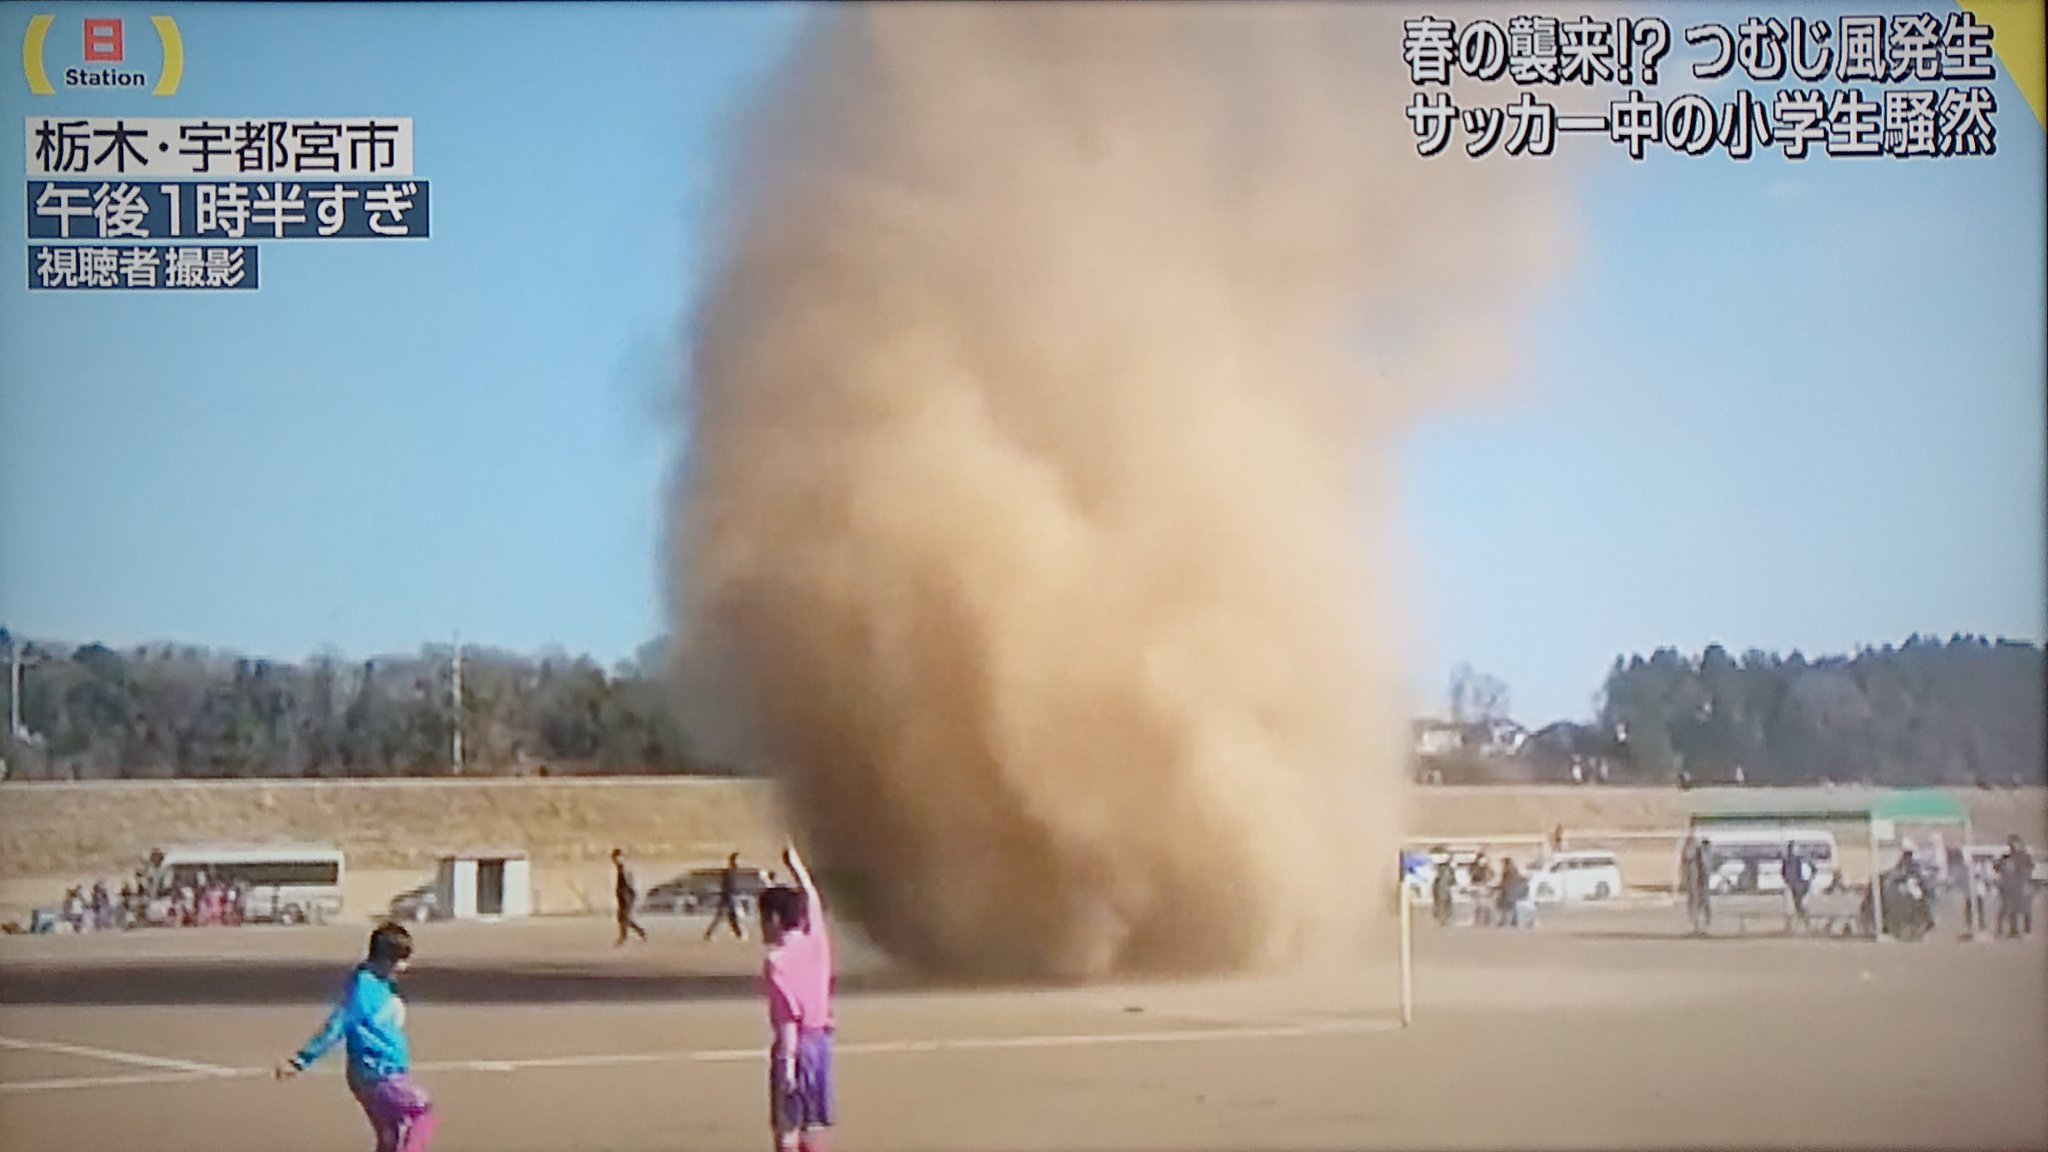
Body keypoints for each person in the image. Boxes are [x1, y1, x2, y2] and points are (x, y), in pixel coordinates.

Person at [276, 922, 437, 1152]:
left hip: (375, 1075)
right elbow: (336, 1026)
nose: (404, 967)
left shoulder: (380, 983)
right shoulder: (362, 989)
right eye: (400, 961)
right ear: (384, 959)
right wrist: (300, 1060)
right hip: (378, 1074)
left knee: (389, 1136)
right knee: (421, 1110)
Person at [760, 839, 835, 1152]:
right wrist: (796, 867)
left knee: (786, 1130)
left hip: (796, 1049)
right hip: (821, 1046)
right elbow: (812, 898)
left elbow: (788, 1022)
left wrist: (787, 1068)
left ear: (775, 920)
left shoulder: (777, 962)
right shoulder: (815, 941)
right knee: (811, 1126)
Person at [1996, 836, 2036, 939]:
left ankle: (2027, 930)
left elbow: (2030, 869)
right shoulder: (2005, 857)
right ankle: (2013, 930)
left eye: (2014, 844)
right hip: (2009, 886)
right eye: (2010, 845)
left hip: (2022, 885)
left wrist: (2027, 882)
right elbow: (1997, 867)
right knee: (2010, 908)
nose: (2013, 847)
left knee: (2025, 908)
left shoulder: (2024, 856)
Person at [704, 852, 748, 942]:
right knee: (724, 917)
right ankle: (710, 934)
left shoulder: (731, 873)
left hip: (729, 897)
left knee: (729, 917)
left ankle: (738, 934)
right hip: (729, 897)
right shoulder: (730, 873)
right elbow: (728, 887)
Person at [612, 849, 648, 946]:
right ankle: (638, 932)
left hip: (626, 894)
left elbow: (627, 883)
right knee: (623, 917)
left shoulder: (623, 867)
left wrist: (626, 895)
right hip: (624, 894)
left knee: (623, 917)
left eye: (614, 857)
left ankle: (624, 936)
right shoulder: (621, 867)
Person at [1781, 842, 1812, 926]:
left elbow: (1810, 869)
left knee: (1798, 903)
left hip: (1799, 885)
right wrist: (1787, 880)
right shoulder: (1787, 860)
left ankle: (1804, 920)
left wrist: (1807, 880)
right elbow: (1783, 872)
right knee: (1796, 904)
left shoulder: (1798, 860)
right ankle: (1803, 920)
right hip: (1793, 885)